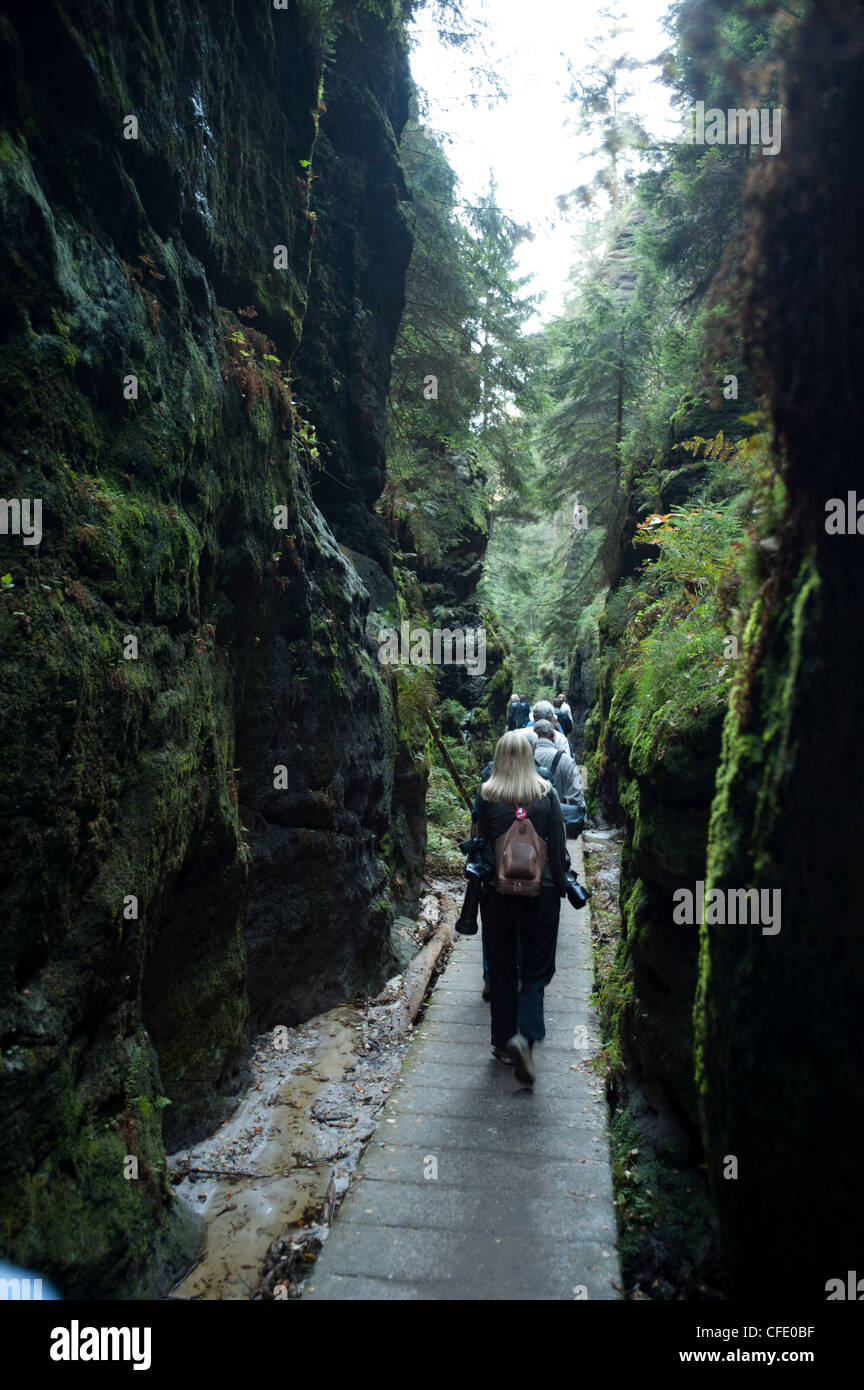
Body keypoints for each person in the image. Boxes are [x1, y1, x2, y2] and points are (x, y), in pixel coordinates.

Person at [475, 731, 567, 1085]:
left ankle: (501, 1042)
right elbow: (557, 851)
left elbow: (480, 848)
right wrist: (560, 887)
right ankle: (525, 1037)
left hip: (497, 895)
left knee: (500, 968)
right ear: (530, 758)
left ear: (499, 757)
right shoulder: (547, 795)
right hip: (539, 895)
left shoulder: (487, 796)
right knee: (535, 968)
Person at [531, 719, 584, 810]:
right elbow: (576, 799)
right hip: (558, 815)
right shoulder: (567, 761)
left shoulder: (524, 759)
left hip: (530, 816)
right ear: (554, 737)